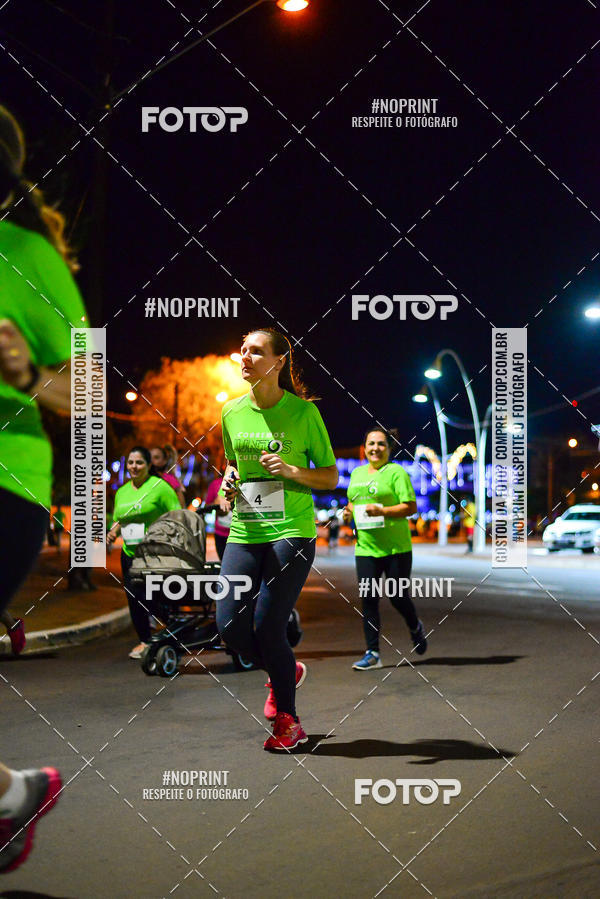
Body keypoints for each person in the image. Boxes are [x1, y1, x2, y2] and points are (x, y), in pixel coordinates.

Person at [0, 104, 86, 870]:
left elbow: (88, 387)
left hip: (6, 484)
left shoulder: (27, 255)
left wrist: (27, 373)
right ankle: (8, 795)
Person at [217, 328, 338, 751]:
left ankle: (289, 723)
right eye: (242, 350)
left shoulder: (304, 414)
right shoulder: (231, 412)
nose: (244, 357)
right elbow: (232, 467)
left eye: (255, 351)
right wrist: (225, 487)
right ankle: (283, 669)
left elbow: (329, 475)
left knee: (269, 625)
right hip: (245, 528)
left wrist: (291, 471)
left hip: (291, 530)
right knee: (229, 625)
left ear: (278, 361)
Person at [343, 428, 427, 670]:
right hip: (366, 548)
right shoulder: (357, 473)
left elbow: (410, 507)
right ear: (365, 446)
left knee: (398, 597)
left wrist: (382, 511)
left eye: (381, 444)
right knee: (369, 600)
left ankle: (415, 626)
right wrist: (348, 511)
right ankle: (373, 654)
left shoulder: (396, 472)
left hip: (395, 549)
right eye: (371, 443)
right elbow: (353, 501)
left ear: (388, 449)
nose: (375, 448)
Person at [107, 445, 181, 658]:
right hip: (129, 553)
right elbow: (121, 519)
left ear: (149, 465)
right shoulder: (122, 492)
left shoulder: (160, 487)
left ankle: (173, 633)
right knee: (134, 598)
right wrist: (113, 533)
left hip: (154, 554)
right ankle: (144, 641)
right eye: (130, 462)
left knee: (152, 597)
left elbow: (176, 516)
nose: (134, 466)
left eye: (139, 462)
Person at [204, 474, 233, 561]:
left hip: (240, 534)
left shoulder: (243, 482)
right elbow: (207, 506)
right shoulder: (216, 483)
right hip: (221, 534)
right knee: (223, 562)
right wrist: (217, 505)